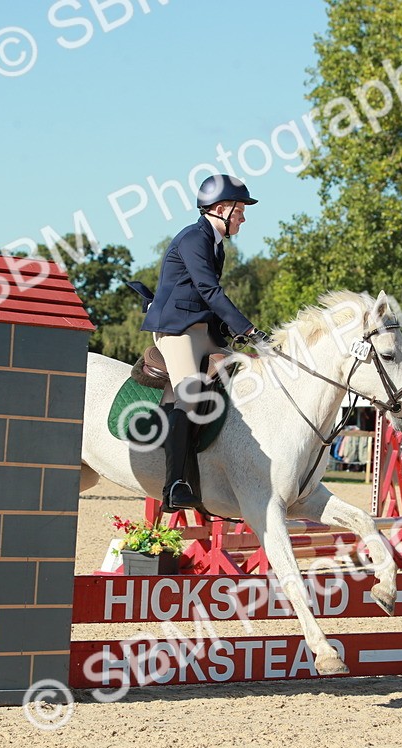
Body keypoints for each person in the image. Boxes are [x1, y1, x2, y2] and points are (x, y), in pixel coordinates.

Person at [139, 174, 271, 511]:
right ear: (222, 208)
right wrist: (249, 329)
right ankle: (174, 485)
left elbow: (208, 301)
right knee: (188, 392)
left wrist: (234, 336)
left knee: (248, 370)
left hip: (202, 331)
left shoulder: (216, 244)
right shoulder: (193, 239)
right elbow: (210, 292)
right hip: (176, 329)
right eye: (240, 211)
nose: (243, 217)